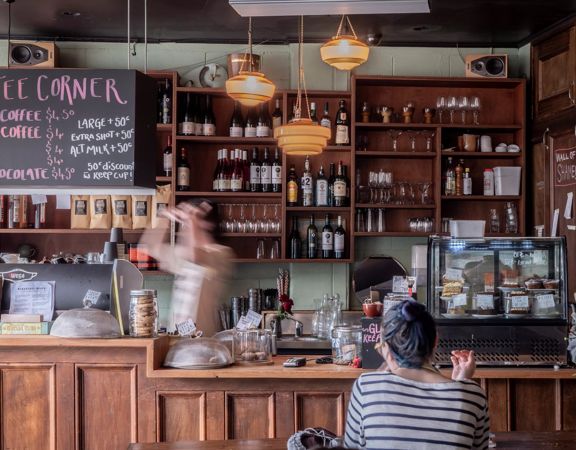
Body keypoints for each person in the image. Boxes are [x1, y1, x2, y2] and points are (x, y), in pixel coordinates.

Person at [344, 300, 489, 450]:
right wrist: (461, 384)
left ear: (386, 347)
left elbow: (350, 447)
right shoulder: (473, 395)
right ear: (435, 341)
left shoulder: (366, 387)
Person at [140, 200, 233, 336]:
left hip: (202, 336)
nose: (185, 226)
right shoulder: (183, 252)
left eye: (196, 219)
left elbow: (195, 256)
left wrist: (191, 221)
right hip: (177, 334)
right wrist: (163, 217)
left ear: (210, 224)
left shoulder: (221, 253)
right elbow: (149, 247)